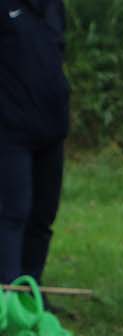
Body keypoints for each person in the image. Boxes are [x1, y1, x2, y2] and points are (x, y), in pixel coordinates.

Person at [0, 0, 70, 286]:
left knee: (42, 217)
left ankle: (32, 293)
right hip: (10, 131)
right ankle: (8, 296)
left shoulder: (53, 6)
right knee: (13, 214)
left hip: (51, 131)